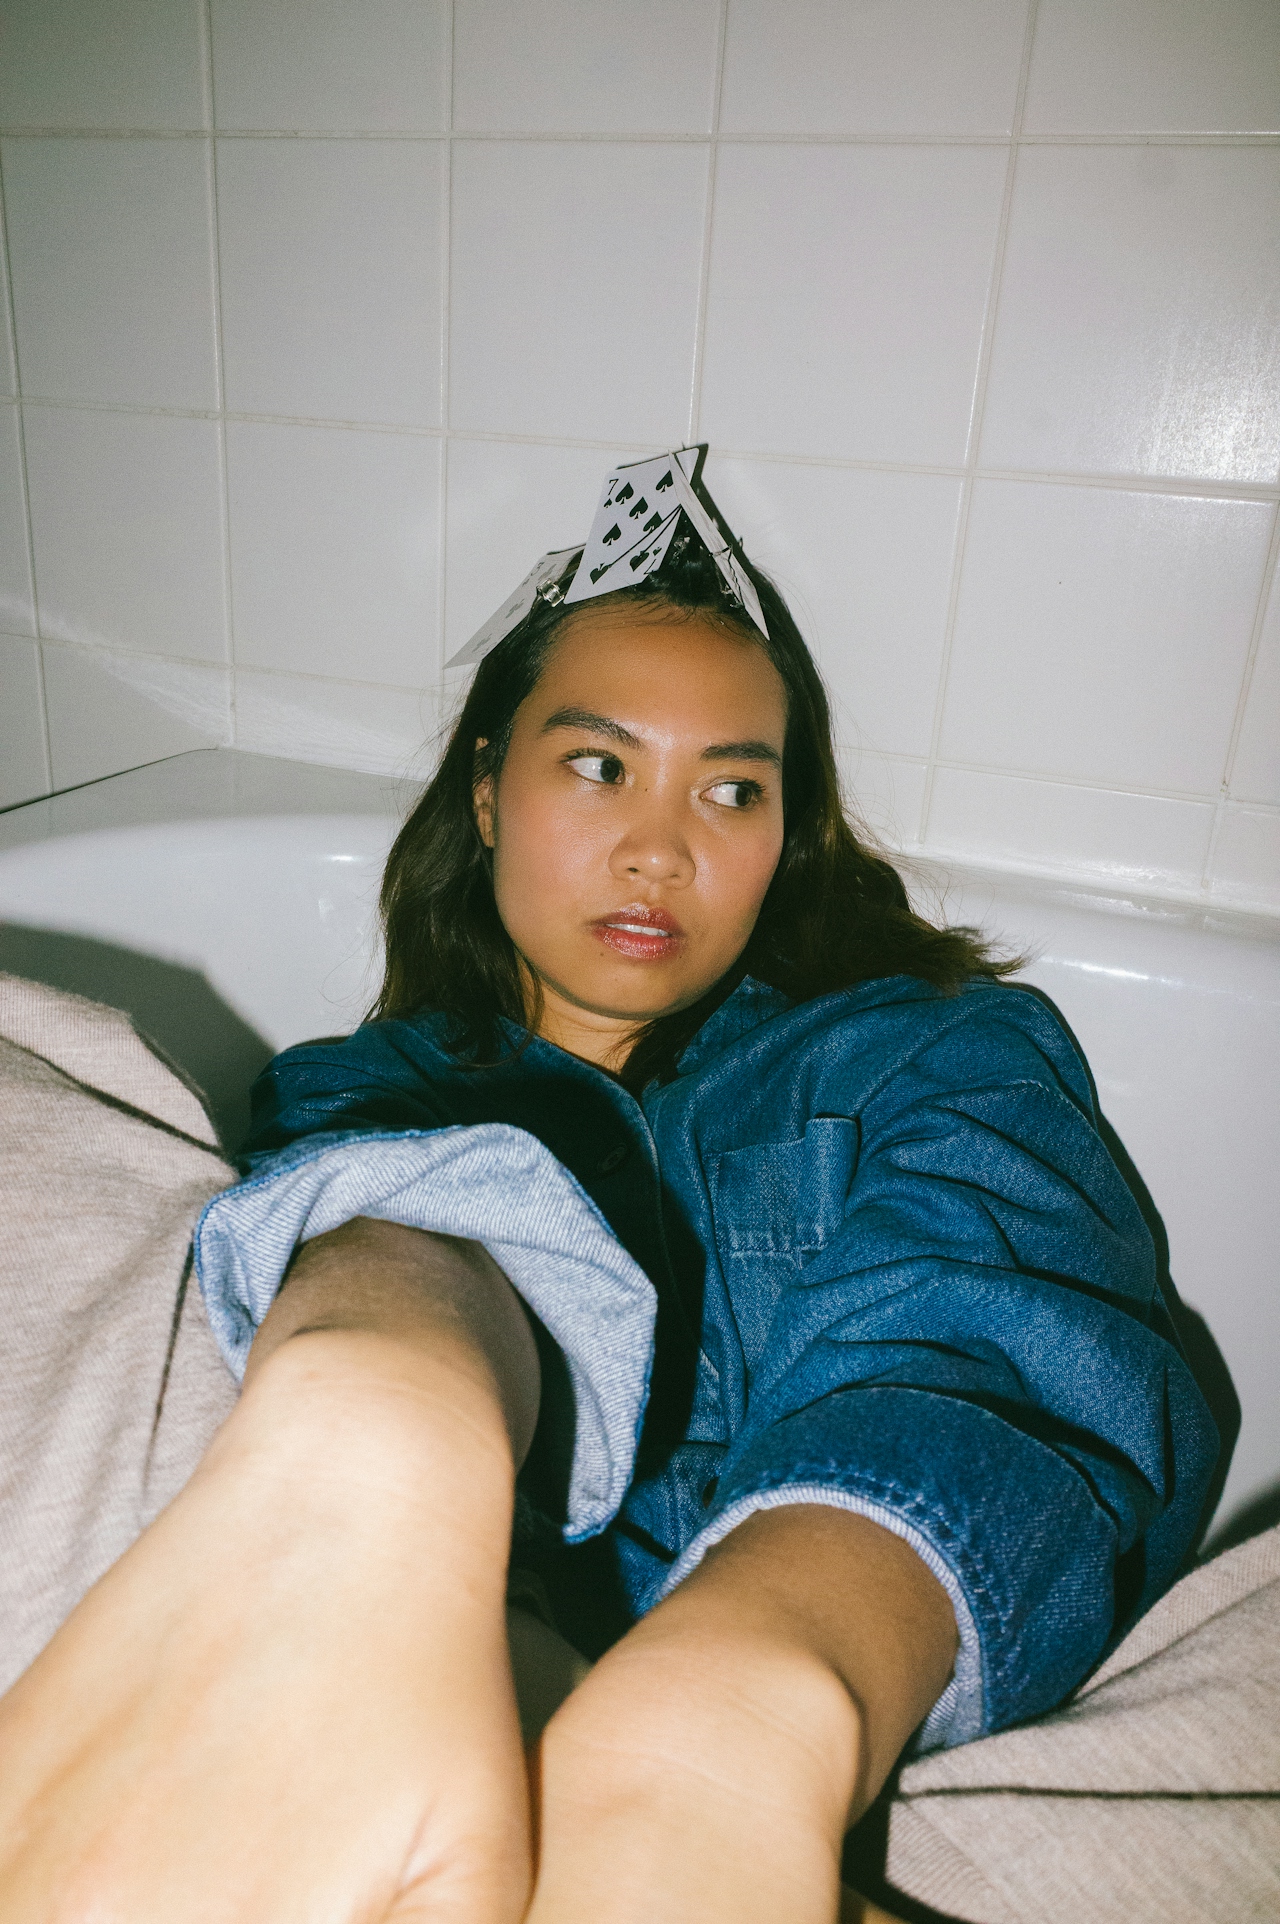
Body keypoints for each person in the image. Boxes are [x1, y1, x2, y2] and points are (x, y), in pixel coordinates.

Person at [0, 452, 1218, 1922]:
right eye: (598, 764)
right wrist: (378, 1412)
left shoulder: (920, 1044)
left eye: (734, 789)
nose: (662, 847)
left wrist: (730, 1721)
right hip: (359, 1662)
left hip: (866, 1756)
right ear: (491, 790)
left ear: (785, 840)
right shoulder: (368, 1083)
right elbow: (413, 1224)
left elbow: (993, 1337)